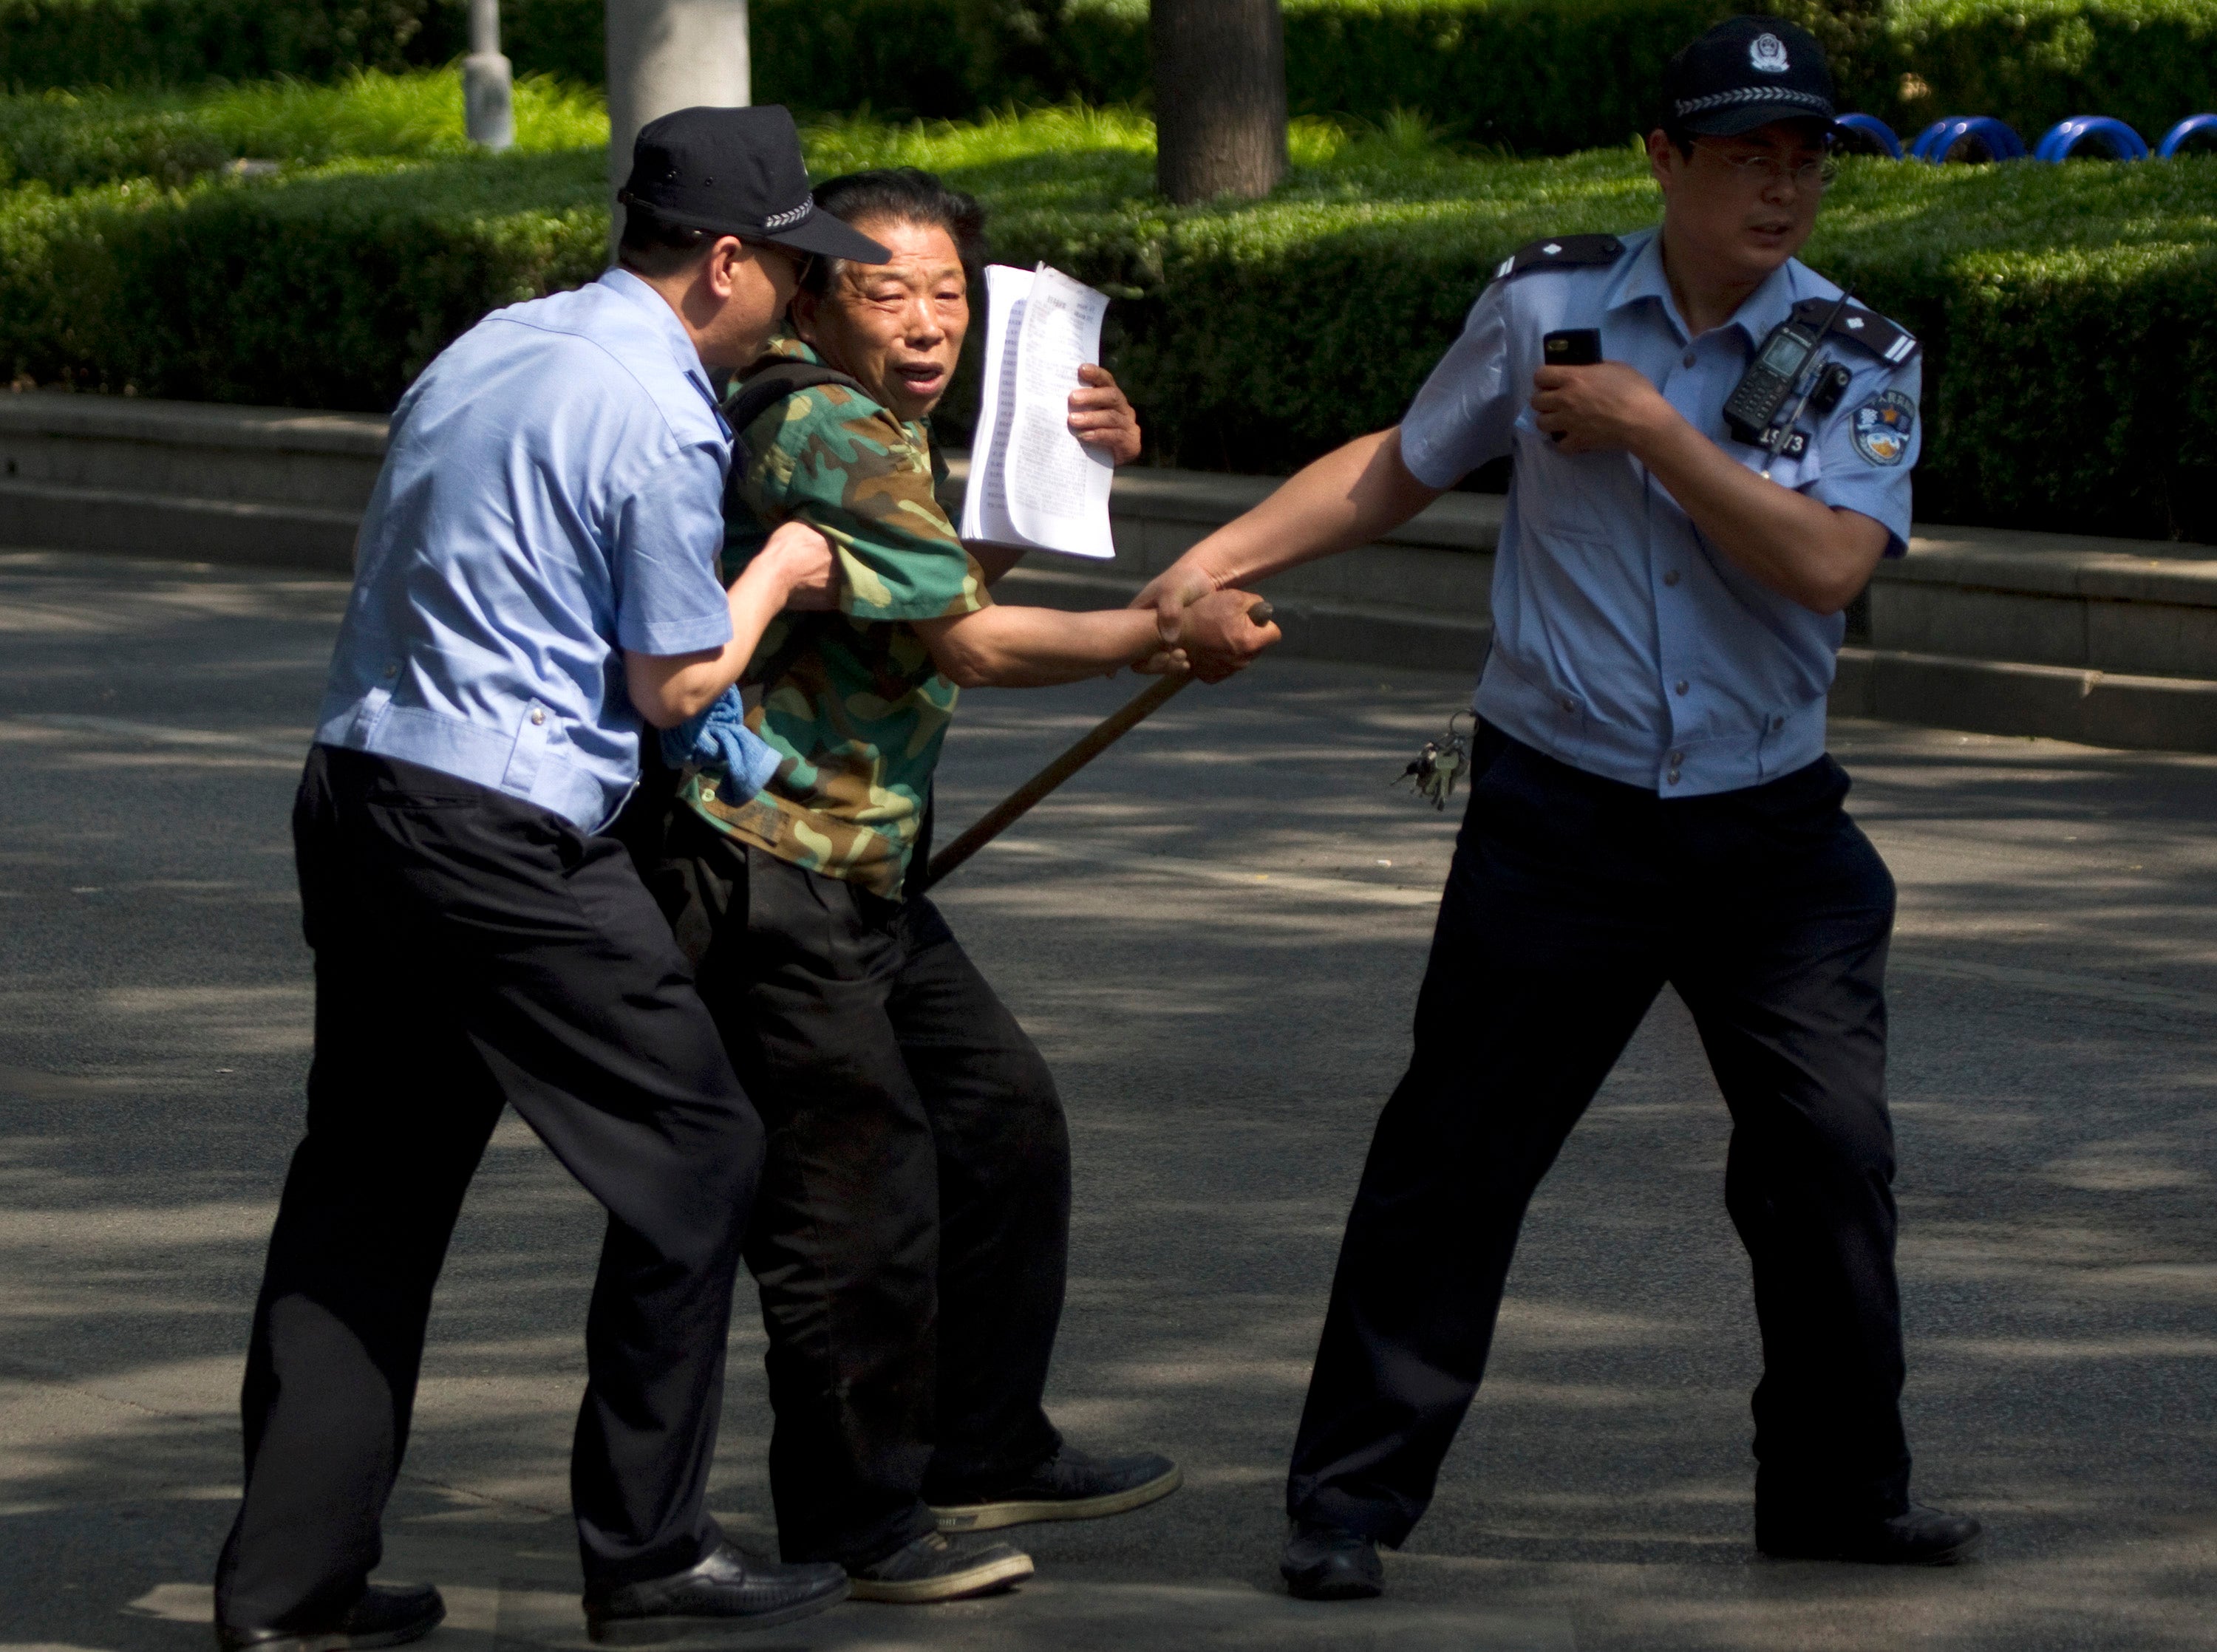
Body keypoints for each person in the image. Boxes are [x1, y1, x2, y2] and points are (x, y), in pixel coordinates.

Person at [1131, 15, 1983, 1602]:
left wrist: (1660, 432)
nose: (1782, 190)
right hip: (1561, 815)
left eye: (1805, 162)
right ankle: (1348, 1501)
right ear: (1663, 159)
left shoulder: (1862, 355)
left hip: (1767, 826)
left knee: (1830, 1164)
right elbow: (1401, 463)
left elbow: (1824, 566)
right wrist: (1220, 555)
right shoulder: (1546, 304)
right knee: (1453, 1157)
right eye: (1745, 159)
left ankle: (1840, 1493)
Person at [211, 108, 895, 1649]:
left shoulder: (495, 341)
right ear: (725, 260)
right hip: (502, 827)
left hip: (361, 784)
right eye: (794, 269)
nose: (800, 298)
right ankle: (648, 1551)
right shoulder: (658, 414)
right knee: (702, 1149)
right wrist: (784, 566)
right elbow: (667, 681)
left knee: (367, 1190)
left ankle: (286, 1587)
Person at [619, 167, 1278, 1603]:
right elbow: (970, 644)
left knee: (1000, 1120)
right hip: (768, 863)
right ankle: (858, 1525)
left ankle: (978, 1440)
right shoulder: (820, 425)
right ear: (810, 294)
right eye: (885, 290)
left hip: (862, 870)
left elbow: (930, 592)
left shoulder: (882, 436)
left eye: (949, 295)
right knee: (856, 1199)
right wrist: (1162, 630)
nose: (926, 324)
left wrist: (1061, 455)